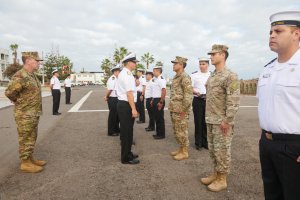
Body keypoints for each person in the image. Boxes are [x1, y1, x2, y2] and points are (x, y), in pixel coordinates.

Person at [257, 11, 300, 200]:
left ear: (296, 34)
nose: (272, 35)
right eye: (270, 32)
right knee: (272, 194)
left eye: (278, 31)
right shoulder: (268, 69)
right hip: (267, 143)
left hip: (293, 147)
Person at [200, 44, 240, 192]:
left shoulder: (230, 75)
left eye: (214, 54)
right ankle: (216, 174)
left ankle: (222, 179)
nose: (211, 57)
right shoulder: (213, 75)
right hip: (210, 119)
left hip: (221, 122)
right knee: (213, 150)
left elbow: (233, 100)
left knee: (222, 151)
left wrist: (227, 120)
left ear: (223, 55)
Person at [5, 51, 46, 173]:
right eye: (36, 61)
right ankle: (25, 163)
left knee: (32, 136)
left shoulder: (32, 75)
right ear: (28, 61)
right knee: (25, 137)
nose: (38, 63)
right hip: (24, 114)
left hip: (33, 112)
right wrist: (20, 102)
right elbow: (9, 92)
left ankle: (30, 158)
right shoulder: (20, 76)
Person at [116, 53, 140, 164]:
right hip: (126, 105)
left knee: (129, 131)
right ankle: (125, 158)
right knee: (126, 132)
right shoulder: (126, 74)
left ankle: (128, 152)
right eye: (134, 62)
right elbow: (129, 93)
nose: (135, 64)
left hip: (125, 104)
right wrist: (134, 109)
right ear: (129, 62)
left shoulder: (126, 74)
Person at [169, 56, 193, 160]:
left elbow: (188, 96)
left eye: (175, 63)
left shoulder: (185, 77)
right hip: (175, 109)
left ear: (181, 65)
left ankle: (185, 152)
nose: (173, 65)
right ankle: (181, 148)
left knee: (182, 131)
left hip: (181, 110)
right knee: (177, 130)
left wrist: (184, 110)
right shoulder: (176, 77)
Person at [191, 58, 211, 150]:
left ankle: (204, 142)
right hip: (198, 100)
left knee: (205, 122)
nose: (201, 66)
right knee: (198, 122)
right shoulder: (194, 75)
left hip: (208, 101)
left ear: (208, 65)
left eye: (203, 64)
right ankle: (198, 143)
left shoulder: (211, 75)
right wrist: (196, 92)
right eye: (200, 64)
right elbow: (189, 87)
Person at [104, 65, 121, 136]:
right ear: (115, 72)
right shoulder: (112, 79)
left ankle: (116, 129)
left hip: (116, 98)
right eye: (119, 72)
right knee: (112, 115)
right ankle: (111, 131)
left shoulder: (117, 78)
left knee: (117, 115)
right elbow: (110, 89)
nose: (120, 73)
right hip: (112, 98)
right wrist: (106, 96)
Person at [151, 65, 166, 139]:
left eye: (154, 71)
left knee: (160, 118)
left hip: (159, 100)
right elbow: (155, 91)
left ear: (157, 71)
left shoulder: (161, 79)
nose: (153, 72)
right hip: (155, 99)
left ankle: (161, 134)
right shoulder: (156, 79)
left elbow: (163, 91)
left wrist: (161, 102)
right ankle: (158, 133)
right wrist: (153, 100)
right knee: (157, 117)